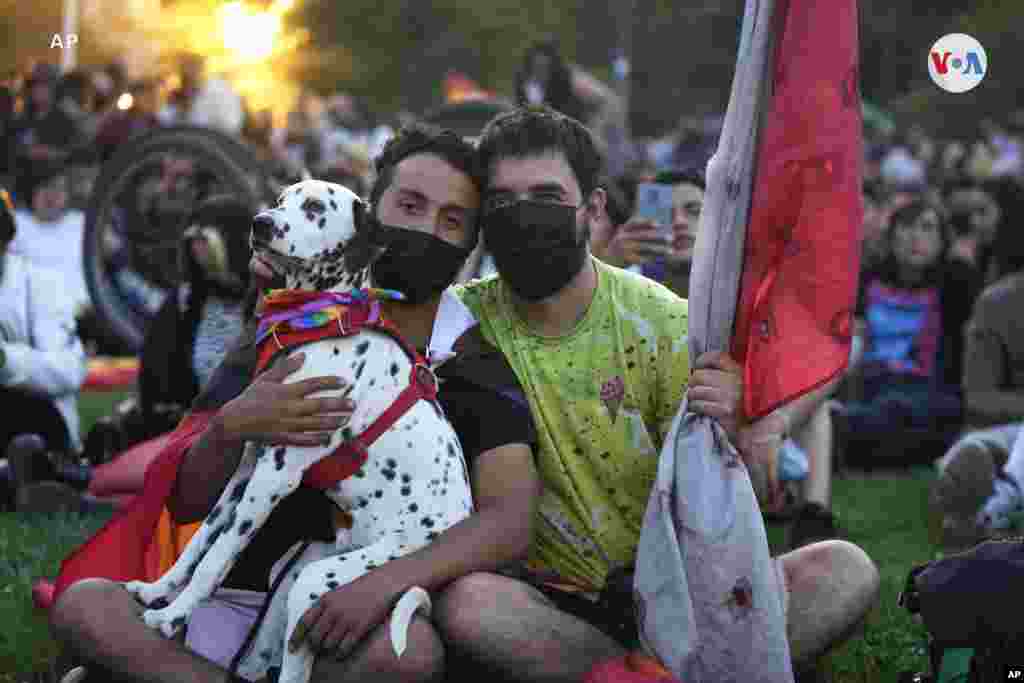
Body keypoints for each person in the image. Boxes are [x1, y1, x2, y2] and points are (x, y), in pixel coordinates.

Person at [49, 123, 542, 683]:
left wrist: (384, 582)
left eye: (451, 221)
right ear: (369, 209)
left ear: (469, 246)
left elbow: (509, 523)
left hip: (342, 615)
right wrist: (232, 425)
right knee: (85, 603)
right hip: (228, 590)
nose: (426, 229)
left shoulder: (471, 359)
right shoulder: (291, 323)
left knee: (407, 655)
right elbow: (185, 498)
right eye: (409, 204)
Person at [430, 106, 879, 679]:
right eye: (501, 202)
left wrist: (740, 427)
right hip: (555, 609)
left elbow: (726, 503)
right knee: (470, 606)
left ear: (592, 210)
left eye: (545, 194)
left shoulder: (664, 323)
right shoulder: (459, 326)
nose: (522, 216)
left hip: (683, 593)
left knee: (845, 569)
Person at [594, 169, 842, 548]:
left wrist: (777, 420)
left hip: (737, 431)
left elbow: (818, 361)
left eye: (694, 210)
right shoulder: (625, 283)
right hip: (654, 440)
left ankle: (814, 517)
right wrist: (608, 262)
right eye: (668, 212)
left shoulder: (748, 284)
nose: (679, 222)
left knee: (810, 396)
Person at [834, 198, 971, 467]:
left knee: (903, 412)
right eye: (907, 227)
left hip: (923, 393)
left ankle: (842, 436)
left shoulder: (954, 283)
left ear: (942, 240)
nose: (916, 237)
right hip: (869, 386)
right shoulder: (869, 280)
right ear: (892, 236)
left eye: (927, 228)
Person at [931, 180, 1024, 551]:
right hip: (1004, 429)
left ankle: (986, 509)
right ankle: (981, 502)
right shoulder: (998, 303)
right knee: (977, 448)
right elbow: (978, 398)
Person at [0, 185, 89, 510]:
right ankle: (23, 481)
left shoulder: (43, 284)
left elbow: (69, 370)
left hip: (37, 418)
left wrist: (6, 361)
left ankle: (39, 473)